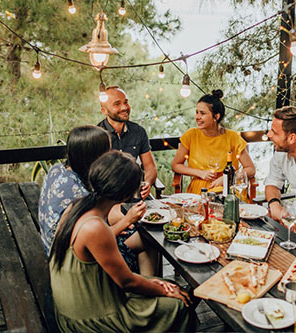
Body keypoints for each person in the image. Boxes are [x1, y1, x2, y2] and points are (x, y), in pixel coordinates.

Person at [49, 150, 191, 332]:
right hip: (90, 319)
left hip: (79, 301)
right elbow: (127, 282)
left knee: (162, 283)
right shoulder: (95, 227)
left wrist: (156, 284)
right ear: (126, 194)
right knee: (179, 304)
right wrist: (164, 290)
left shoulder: (76, 207)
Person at [38, 125, 148, 274]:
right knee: (146, 242)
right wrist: (126, 221)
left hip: (52, 247)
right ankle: (143, 290)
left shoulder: (57, 169)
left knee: (136, 234)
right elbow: (84, 241)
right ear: (94, 156)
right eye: (107, 152)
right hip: (70, 264)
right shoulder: (78, 196)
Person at [171, 89, 255, 194]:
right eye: (197, 112)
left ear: (216, 116)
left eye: (202, 113)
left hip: (227, 188)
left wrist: (227, 179)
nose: (197, 117)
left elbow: (250, 169)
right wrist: (199, 173)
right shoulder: (191, 135)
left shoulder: (232, 137)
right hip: (200, 190)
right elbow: (175, 165)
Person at [98, 86, 157, 200]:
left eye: (126, 102)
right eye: (117, 104)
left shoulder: (138, 131)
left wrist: (148, 183)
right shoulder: (98, 136)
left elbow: (150, 167)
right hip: (108, 199)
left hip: (136, 195)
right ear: (104, 111)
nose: (124, 107)